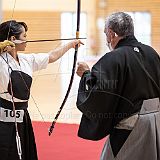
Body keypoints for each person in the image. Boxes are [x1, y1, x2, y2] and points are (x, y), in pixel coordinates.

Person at [76, 12, 160, 160]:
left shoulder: (114, 57)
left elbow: (100, 94)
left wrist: (86, 75)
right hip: (156, 122)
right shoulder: (151, 53)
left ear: (111, 33)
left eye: (105, 34)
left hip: (131, 125)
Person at [0, 20, 83, 160]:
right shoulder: (1, 61)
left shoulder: (27, 60)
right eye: (25, 36)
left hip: (22, 116)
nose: (27, 40)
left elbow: (51, 56)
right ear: (13, 39)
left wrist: (70, 44)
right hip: (2, 119)